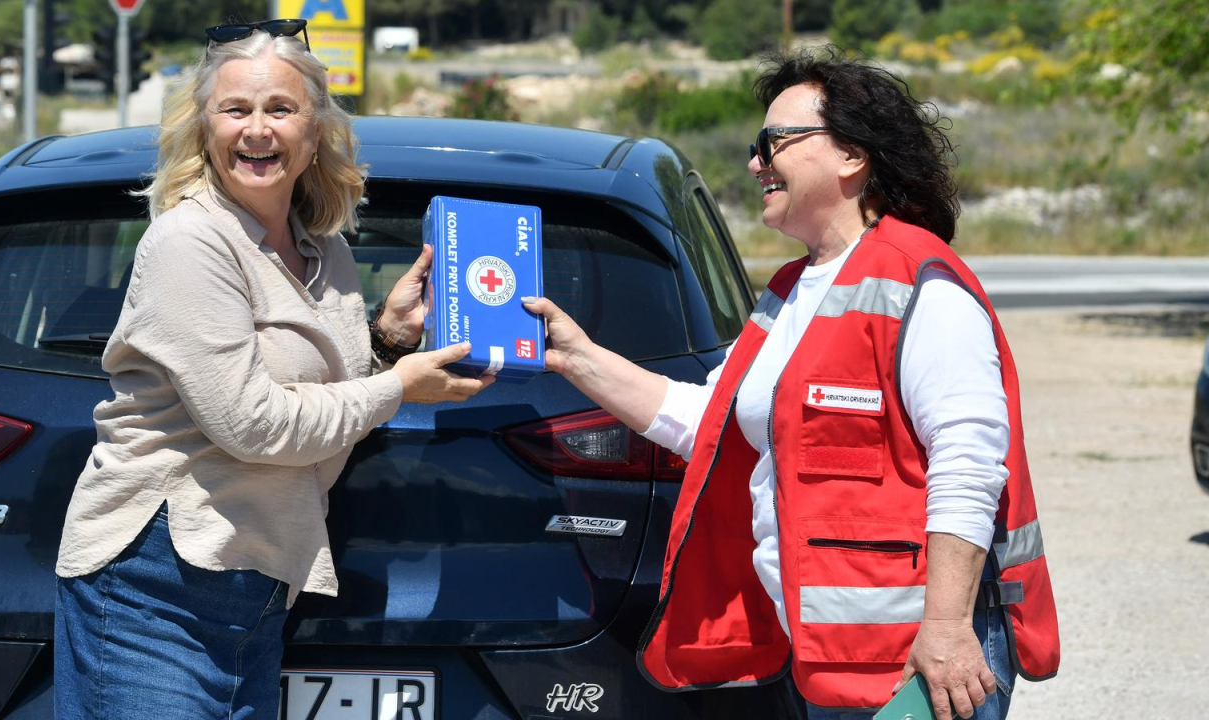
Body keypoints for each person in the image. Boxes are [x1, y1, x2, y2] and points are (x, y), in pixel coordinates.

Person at [522, 47, 1059, 720]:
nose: (755, 163)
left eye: (772, 142)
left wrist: (948, 629)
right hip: (831, 662)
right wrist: (576, 357)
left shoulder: (921, 281)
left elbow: (969, 463)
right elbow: (711, 423)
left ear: (851, 155)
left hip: (919, 664)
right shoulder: (789, 292)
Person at [53, 19, 492, 718]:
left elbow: (322, 391)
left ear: (315, 133)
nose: (257, 129)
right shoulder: (189, 242)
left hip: (259, 584)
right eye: (236, 109)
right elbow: (252, 423)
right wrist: (399, 386)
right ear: (205, 128)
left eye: (280, 109)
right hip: (157, 582)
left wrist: (387, 338)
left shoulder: (327, 252)